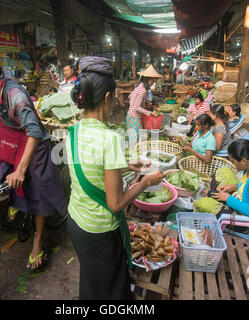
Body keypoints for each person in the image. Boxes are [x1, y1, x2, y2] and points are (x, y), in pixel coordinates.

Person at [0, 38, 67, 270]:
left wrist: (21, 169)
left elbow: (34, 130)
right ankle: (18, 204)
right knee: (0, 178)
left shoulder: (14, 94)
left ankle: (38, 243)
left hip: (34, 145)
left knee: (38, 195)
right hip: (15, 141)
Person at [66, 56, 163, 299]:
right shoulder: (110, 139)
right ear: (109, 98)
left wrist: (124, 164)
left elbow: (90, 165)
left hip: (77, 222)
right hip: (100, 232)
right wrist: (146, 182)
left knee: (92, 281)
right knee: (111, 290)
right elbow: (116, 204)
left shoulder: (73, 131)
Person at [126, 64, 161, 135]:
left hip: (131, 116)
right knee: (137, 141)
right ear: (148, 79)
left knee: (135, 140)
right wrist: (150, 113)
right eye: (153, 80)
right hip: (134, 118)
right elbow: (136, 107)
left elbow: (130, 96)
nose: (154, 82)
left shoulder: (140, 86)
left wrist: (144, 102)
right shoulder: (142, 90)